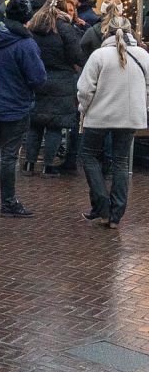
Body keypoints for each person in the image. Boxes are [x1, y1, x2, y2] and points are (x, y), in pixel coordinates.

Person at [0, 0, 47, 217]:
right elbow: (38, 78)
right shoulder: (26, 44)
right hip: (15, 105)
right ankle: (8, 202)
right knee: (8, 155)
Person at [77, 16, 148, 229]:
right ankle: (116, 213)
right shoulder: (143, 55)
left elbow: (85, 88)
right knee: (121, 161)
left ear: (106, 32)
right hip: (130, 117)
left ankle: (102, 206)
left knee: (88, 156)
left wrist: (84, 108)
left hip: (99, 116)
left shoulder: (99, 55)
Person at [21, 0, 83, 177]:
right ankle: (48, 166)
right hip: (61, 80)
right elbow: (77, 55)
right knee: (54, 125)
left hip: (36, 78)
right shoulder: (64, 28)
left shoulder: (33, 26)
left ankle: (28, 164)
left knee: (35, 123)